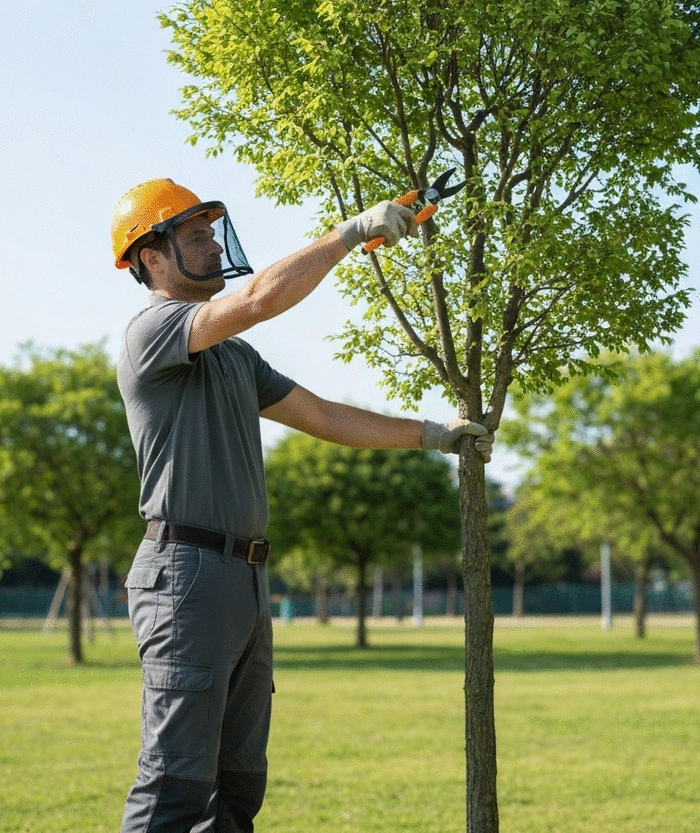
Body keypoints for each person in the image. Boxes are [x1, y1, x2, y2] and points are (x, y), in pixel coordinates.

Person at [111, 177, 493, 833]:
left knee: (238, 786)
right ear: (152, 255)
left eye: (212, 234)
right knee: (175, 784)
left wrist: (434, 435)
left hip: (242, 576)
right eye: (196, 236)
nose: (213, 246)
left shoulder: (233, 357)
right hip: (185, 575)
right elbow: (259, 299)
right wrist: (351, 233)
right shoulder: (151, 331)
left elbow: (321, 415)